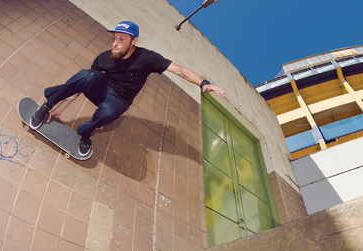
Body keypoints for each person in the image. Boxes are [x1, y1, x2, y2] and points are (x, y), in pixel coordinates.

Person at [30, 21, 226, 156]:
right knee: (87, 75)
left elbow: (180, 70)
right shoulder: (104, 58)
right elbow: (80, 85)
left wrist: (203, 84)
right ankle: (47, 106)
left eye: (121, 39)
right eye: (114, 38)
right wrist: (62, 106)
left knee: (107, 113)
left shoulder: (147, 58)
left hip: (119, 100)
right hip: (102, 90)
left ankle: (86, 134)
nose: (115, 44)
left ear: (134, 41)